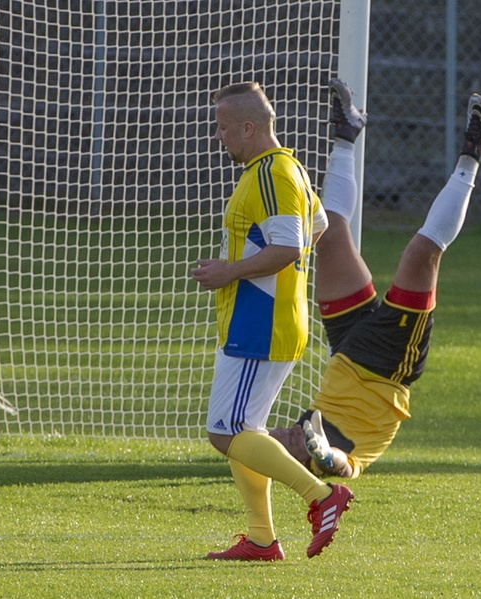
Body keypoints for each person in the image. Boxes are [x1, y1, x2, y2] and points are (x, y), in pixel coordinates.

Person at [269, 79, 481, 479]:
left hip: (346, 347)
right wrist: (322, 453)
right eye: (284, 442)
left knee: (329, 232)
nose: (281, 433)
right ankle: (472, 155)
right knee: (423, 253)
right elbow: (345, 468)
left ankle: (346, 133)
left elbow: (253, 440)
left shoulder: (297, 434)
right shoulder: (333, 451)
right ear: (304, 460)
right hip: (386, 365)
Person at [191, 81, 354, 561]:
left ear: (248, 126)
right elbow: (317, 227)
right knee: (245, 431)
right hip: (264, 318)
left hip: (261, 321)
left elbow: (287, 248)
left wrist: (231, 270)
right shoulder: (290, 171)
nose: (219, 137)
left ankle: (322, 497)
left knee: (225, 433)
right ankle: (262, 538)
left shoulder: (272, 173)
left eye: (223, 128)